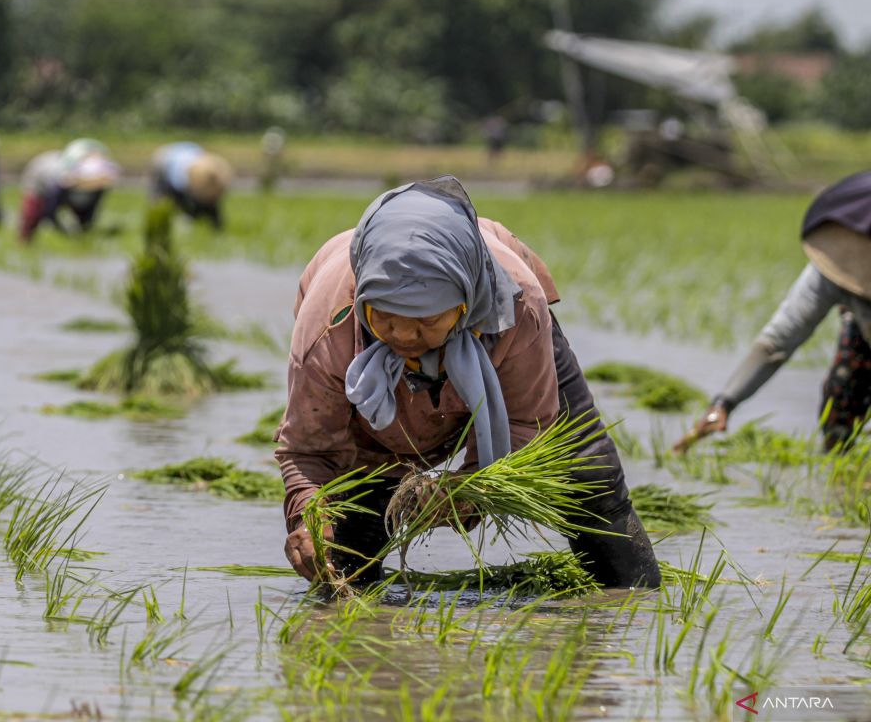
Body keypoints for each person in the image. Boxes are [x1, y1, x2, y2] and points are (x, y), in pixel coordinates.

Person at [276, 176, 661, 589]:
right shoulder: (330, 327)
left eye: (425, 321)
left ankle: (633, 609)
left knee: (588, 477)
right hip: (365, 388)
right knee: (351, 544)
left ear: (463, 306)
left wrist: (467, 489)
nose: (404, 338)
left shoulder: (515, 307)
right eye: (385, 319)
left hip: (503, 333)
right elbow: (309, 450)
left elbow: (526, 428)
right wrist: (310, 517)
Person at [677, 171, 871, 454]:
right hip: (862, 332)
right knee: (840, 405)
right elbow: (777, 341)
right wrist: (724, 404)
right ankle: (841, 473)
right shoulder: (833, 266)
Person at [18, 139, 121, 242]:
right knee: (32, 215)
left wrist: (82, 232)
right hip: (41, 185)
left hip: (67, 188)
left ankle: (81, 240)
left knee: (84, 219)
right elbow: (49, 211)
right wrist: (62, 230)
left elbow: (91, 211)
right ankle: (24, 242)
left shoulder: (100, 184)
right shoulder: (57, 176)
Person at [150, 142, 232, 229]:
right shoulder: (183, 176)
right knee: (161, 201)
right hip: (165, 163)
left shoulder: (206, 170)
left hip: (185, 152)